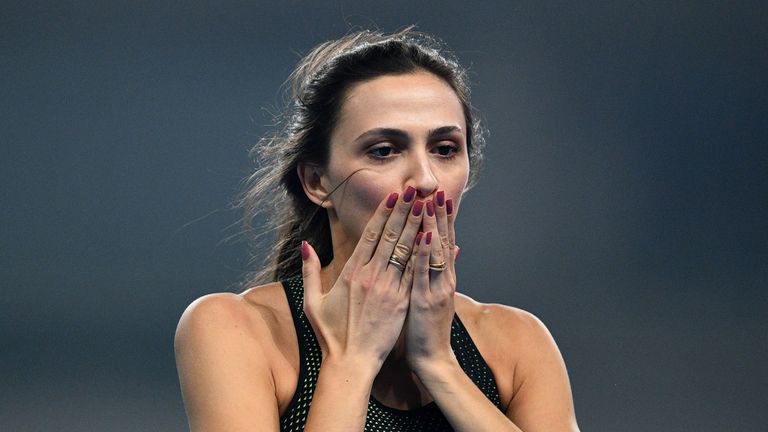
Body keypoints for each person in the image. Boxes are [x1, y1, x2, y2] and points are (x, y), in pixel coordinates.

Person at [175, 28, 579, 432]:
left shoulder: (517, 342)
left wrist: (440, 365)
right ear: (316, 182)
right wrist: (352, 359)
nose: (425, 179)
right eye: (384, 151)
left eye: (445, 149)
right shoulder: (236, 329)